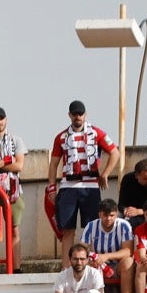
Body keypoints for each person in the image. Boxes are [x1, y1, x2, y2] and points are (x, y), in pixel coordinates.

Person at [50, 100, 116, 253]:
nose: (77, 116)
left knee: (91, 228)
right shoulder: (61, 137)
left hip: (90, 186)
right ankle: (67, 265)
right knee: (67, 230)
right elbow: (53, 164)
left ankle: (88, 263)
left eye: (80, 114)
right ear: (69, 115)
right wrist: (52, 188)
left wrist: (105, 174)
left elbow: (115, 153)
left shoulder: (97, 133)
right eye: (74, 114)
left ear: (85, 114)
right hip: (68, 187)